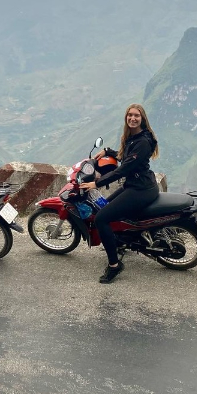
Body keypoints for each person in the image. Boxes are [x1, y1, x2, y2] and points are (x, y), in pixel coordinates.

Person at [79, 103, 160, 283]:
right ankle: (118, 242)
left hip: (140, 189)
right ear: (126, 118)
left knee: (101, 218)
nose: (132, 118)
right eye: (129, 115)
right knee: (104, 207)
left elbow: (123, 170)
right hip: (137, 184)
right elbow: (127, 157)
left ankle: (114, 266)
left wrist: (96, 183)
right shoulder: (134, 137)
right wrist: (108, 151)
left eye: (136, 116)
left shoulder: (143, 142)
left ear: (142, 119)